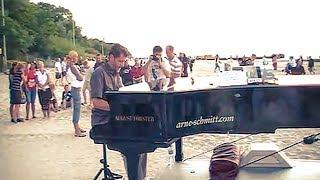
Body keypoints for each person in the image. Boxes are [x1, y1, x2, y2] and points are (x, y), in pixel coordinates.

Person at [90, 44, 147, 180]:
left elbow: (121, 94)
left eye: (124, 61)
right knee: (133, 142)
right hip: (102, 121)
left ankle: (140, 177)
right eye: (119, 61)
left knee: (144, 139)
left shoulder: (117, 73)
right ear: (111, 57)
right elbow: (96, 102)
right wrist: (118, 108)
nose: (122, 65)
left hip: (117, 118)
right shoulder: (99, 73)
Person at [67, 50, 86, 137]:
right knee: (77, 109)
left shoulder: (70, 65)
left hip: (75, 87)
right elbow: (80, 77)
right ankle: (76, 129)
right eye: (76, 56)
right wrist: (81, 75)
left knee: (76, 108)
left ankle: (77, 127)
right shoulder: (72, 66)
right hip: (75, 88)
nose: (77, 58)